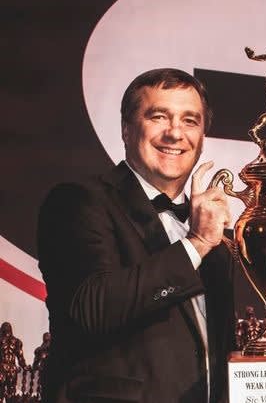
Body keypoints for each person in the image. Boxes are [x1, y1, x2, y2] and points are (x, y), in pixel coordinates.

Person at [37, 68, 235, 403]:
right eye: (159, 116)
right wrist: (195, 244)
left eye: (190, 121)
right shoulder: (78, 201)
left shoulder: (213, 235)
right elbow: (92, 308)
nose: (175, 133)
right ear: (127, 129)